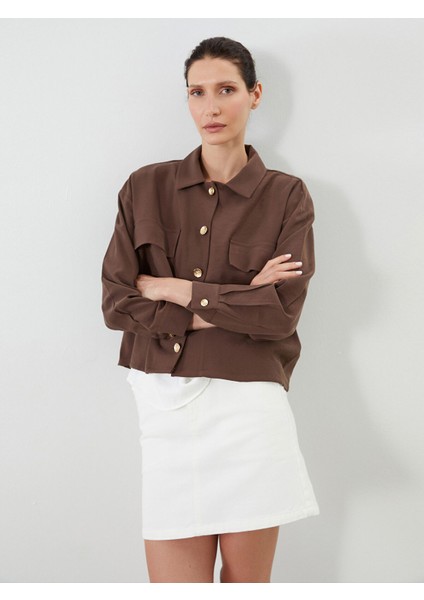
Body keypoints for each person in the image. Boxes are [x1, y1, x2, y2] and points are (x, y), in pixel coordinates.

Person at [101, 36, 320, 583]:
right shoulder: (144, 187)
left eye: (226, 90)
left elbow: (278, 315)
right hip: (165, 402)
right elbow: (117, 303)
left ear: (255, 95)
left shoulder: (286, 196)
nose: (210, 107)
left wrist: (173, 289)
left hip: (250, 408)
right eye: (196, 92)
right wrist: (237, 299)